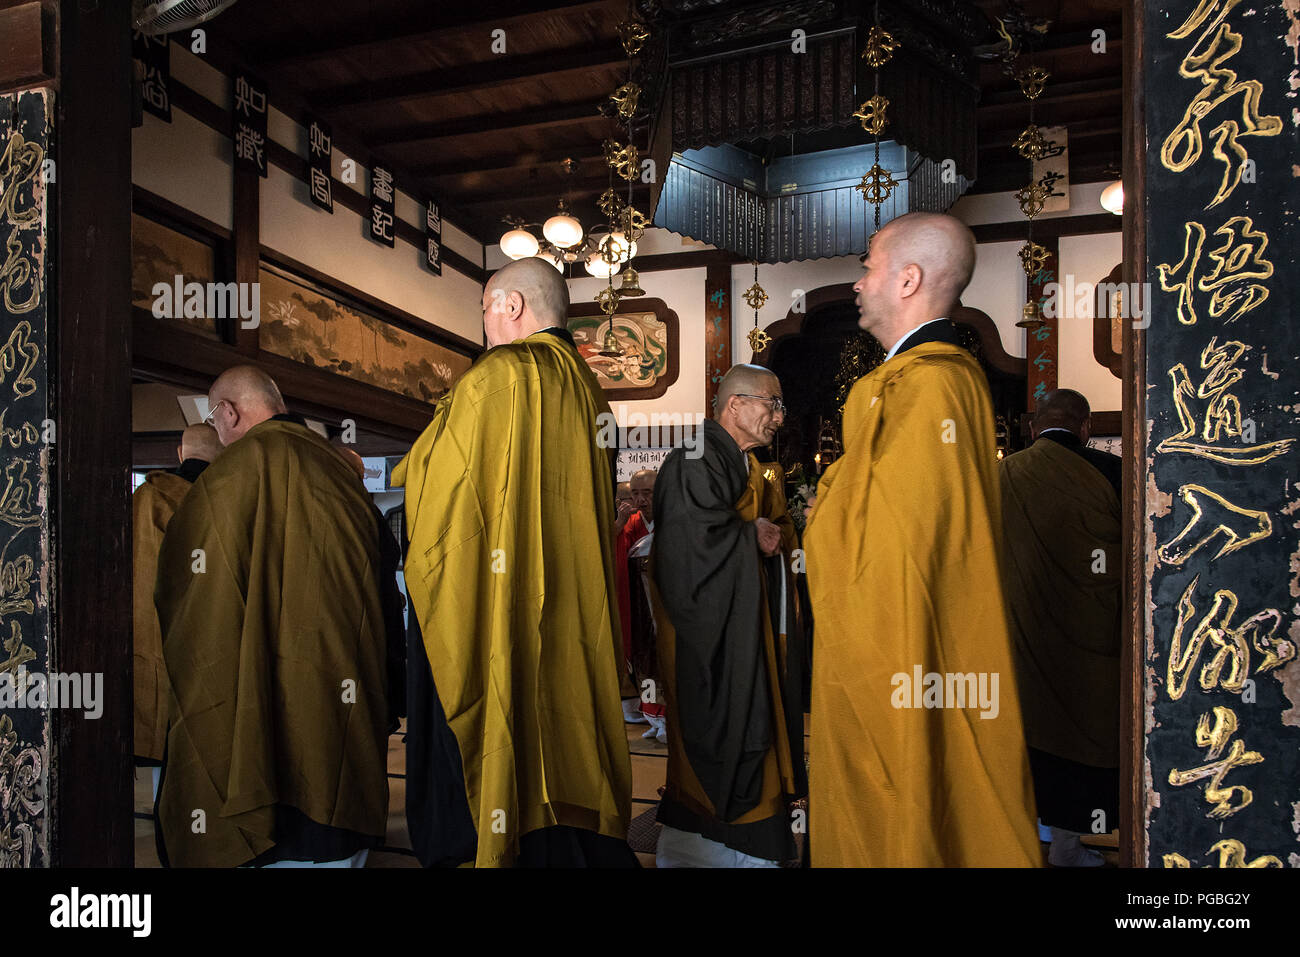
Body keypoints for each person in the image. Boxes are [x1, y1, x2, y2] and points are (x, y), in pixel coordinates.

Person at [805, 212, 1040, 867]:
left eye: (869, 265)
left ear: (907, 279)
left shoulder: (933, 382)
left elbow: (900, 545)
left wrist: (825, 516)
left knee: (910, 794)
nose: (857, 282)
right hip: (900, 644)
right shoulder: (915, 380)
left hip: (906, 648)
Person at [393, 257, 635, 867]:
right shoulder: (590, 392)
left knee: (501, 702)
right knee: (562, 714)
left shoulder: (497, 377)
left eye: (484, 310)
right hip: (572, 609)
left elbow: (438, 486)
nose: (484, 325)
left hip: (502, 595)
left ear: (512, 306)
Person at [153, 365, 391, 868]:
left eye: (215, 419)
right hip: (343, 698)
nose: (218, 432)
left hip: (261, 709)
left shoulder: (230, 477)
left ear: (230, 413)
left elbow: (191, 594)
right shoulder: (340, 470)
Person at [649, 364, 807, 867]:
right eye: (771, 403)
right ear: (734, 405)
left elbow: (773, 530)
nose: (779, 416)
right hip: (709, 636)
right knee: (722, 723)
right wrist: (746, 537)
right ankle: (726, 832)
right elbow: (688, 549)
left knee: (761, 716)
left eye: (781, 405)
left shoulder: (751, 465)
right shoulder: (693, 457)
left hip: (746, 627)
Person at [1000, 388, 1120, 867]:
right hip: (1092, 639)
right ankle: (1070, 847)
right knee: (1081, 741)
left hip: (1022, 635)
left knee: (1026, 736)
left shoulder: (1003, 474)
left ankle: (1024, 841)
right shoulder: (1112, 471)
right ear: (1086, 427)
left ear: (1033, 428)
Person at [133, 423, 222, 796]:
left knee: (168, 765)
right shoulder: (229, 498)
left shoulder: (148, 500)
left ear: (179, 453)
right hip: (218, 644)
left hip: (155, 644)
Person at [614, 474, 651, 725]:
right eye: (633, 494)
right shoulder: (630, 522)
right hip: (634, 597)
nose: (640, 500)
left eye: (647, 493)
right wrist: (619, 524)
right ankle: (639, 704)